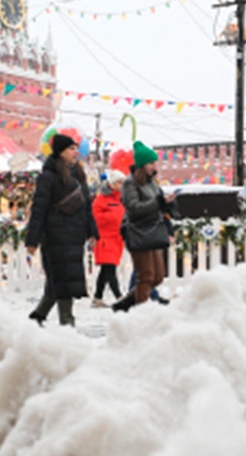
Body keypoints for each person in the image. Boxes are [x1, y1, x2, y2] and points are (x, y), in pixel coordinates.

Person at [25, 133, 98, 327]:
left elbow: (86, 206)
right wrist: (32, 239)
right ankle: (67, 322)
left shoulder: (78, 175)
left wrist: (92, 231)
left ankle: (38, 315)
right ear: (60, 152)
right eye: (71, 149)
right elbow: (38, 209)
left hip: (75, 236)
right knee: (63, 280)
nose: (76, 152)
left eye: (76, 148)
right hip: (54, 235)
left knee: (60, 279)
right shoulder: (48, 177)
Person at [112, 140, 175, 311]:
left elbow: (157, 205)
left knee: (158, 276)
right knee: (146, 276)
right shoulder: (130, 183)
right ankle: (141, 314)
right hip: (139, 231)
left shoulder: (151, 183)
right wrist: (158, 202)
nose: (154, 166)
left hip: (154, 230)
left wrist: (166, 203)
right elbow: (133, 209)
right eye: (151, 163)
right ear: (142, 164)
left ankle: (126, 303)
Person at [90, 171, 125, 307]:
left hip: (116, 238)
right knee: (110, 269)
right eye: (119, 182)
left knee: (106, 269)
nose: (122, 185)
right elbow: (95, 217)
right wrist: (113, 216)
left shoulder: (120, 198)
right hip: (105, 238)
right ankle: (119, 297)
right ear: (112, 183)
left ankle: (98, 297)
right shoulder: (101, 199)